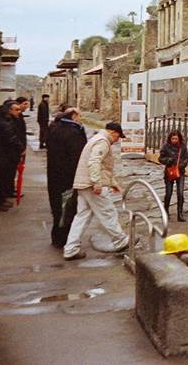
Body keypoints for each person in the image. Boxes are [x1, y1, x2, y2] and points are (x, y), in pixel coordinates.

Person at [63, 122, 129, 260]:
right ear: (113, 132)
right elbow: (95, 161)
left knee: (81, 217)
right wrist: (96, 183)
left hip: (82, 184)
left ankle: (70, 248)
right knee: (108, 212)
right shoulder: (103, 142)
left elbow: (103, 167)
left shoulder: (96, 139)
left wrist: (112, 183)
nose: (117, 140)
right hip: (91, 185)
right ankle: (121, 240)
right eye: (118, 136)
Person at [46, 107, 87, 248]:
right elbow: (78, 156)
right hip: (68, 175)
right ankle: (63, 238)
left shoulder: (54, 128)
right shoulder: (72, 132)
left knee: (57, 206)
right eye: (79, 115)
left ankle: (57, 235)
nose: (81, 118)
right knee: (67, 207)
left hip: (54, 173)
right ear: (73, 116)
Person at [0, 101, 23, 211]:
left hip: (2, 153)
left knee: (2, 179)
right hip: (2, 154)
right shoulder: (3, 123)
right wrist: (20, 147)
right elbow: (10, 137)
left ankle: (0, 200)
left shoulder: (3, 121)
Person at [158, 130, 188, 222]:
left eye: (176, 138)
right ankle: (166, 211)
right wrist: (168, 160)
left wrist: (181, 165)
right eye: (173, 138)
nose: (174, 140)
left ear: (179, 138)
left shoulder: (183, 147)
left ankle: (180, 214)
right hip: (169, 172)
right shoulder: (166, 146)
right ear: (170, 138)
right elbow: (160, 158)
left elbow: (186, 158)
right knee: (168, 193)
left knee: (180, 193)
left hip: (180, 172)